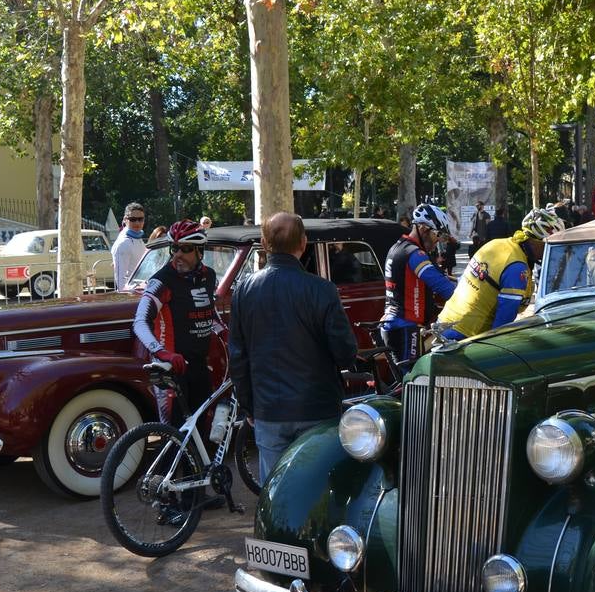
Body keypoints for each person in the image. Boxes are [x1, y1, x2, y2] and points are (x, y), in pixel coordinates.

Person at [229, 212, 358, 484]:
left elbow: (238, 357)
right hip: (317, 406)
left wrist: (249, 405)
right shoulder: (322, 289)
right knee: (318, 486)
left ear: (264, 243)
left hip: (269, 408)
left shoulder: (244, 290)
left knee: (275, 491)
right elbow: (345, 352)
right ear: (303, 243)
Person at [132, 220, 224, 426]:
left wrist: (227, 335)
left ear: (200, 251)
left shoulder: (208, 276)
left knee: (200, 432)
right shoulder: (162, 280)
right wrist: (162, 352)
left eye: (186, 249)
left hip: (199, 366)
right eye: (174, 248)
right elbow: (140, 321)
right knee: (173, 436)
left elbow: (211, 314)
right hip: (172, 368)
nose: (178, 254)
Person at [437, 207, 565, 340]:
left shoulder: (496, 244)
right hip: (466, 334)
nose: (550, 253)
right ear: (537, 242)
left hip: (445, 321)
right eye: (549, 247)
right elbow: (503, 324)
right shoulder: (517, 268)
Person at [380, 204, 456, 370]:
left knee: (404, 381)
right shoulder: (415, 254)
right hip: (405, 326)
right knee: (414, 383)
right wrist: (467, 298)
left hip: (394, 323)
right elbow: (443, 287)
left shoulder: (399, 246)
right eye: (437, 234)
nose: (438, 240)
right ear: (423, 228)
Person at [111, 202, 149, 289]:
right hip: (132, 293)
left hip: (142, 289)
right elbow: (120, 280)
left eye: (140, 219)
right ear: (125, 219)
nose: (137, 223)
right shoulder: (123, 243)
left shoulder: (138, 238)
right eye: (133, 219)